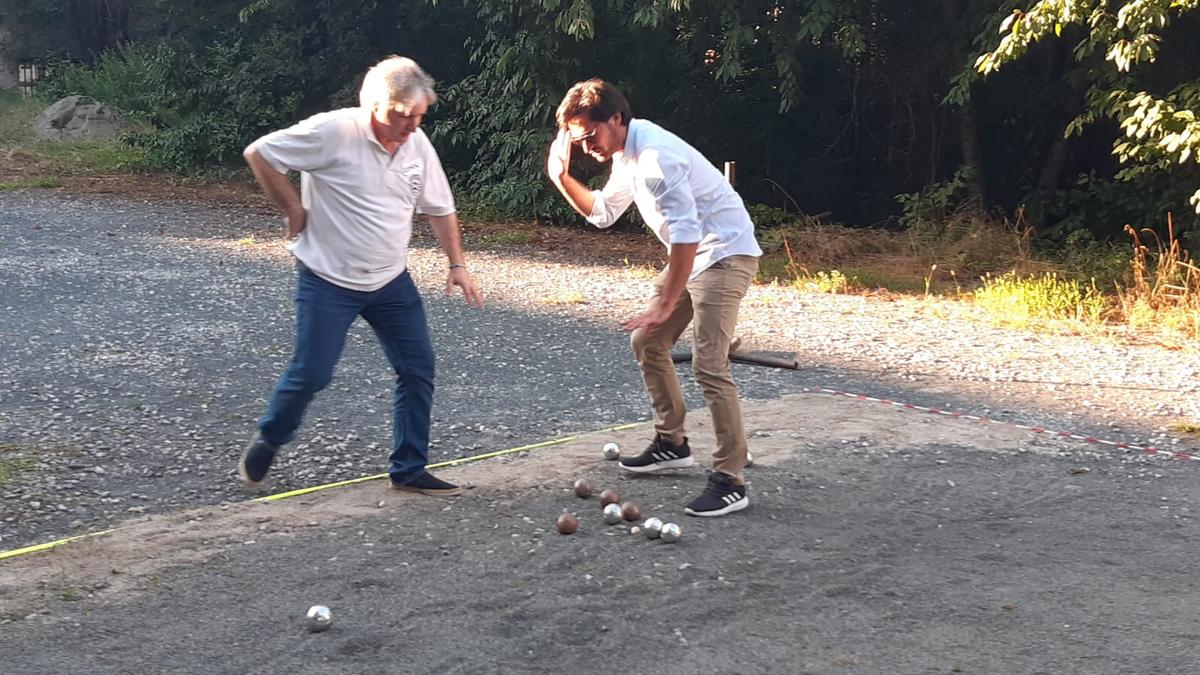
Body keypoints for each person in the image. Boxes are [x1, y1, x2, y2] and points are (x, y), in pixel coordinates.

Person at [238, 55, 483, 496]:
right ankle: (271, 437)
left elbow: (440, 206)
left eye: (420, 116)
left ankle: (409, 467)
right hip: (328, 278)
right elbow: (260, 154)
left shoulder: (417, 143)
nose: (412, 127)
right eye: (403, 116)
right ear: (373, 105)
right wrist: (293, 208)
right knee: (312, 373)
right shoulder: (332, 131)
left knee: (418, 369)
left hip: (390, 281)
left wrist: (457, 264)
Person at [546, 78, 762, 517]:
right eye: (579, 142)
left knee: (709, 364)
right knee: (647, 341)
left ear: (616, 119)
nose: (587, 148)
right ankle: (672, 442)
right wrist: (561, 177)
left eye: (590, 136)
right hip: (695, 257)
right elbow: (603, 213)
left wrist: (665, 302)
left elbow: (686, 235)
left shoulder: (655, 159)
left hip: (725, 254)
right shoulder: (626, 153)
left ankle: (731, 479)